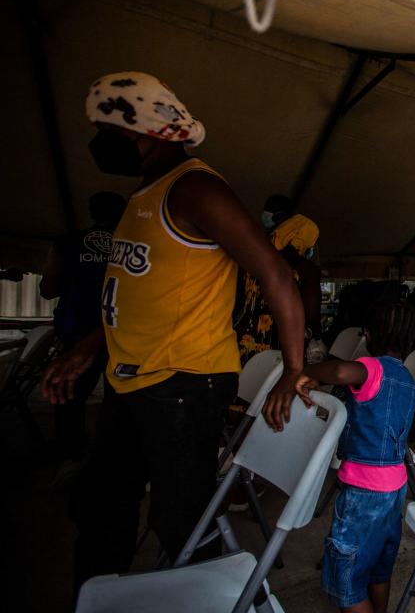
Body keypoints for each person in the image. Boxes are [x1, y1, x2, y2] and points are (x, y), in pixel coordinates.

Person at [41, 72, 305, 592]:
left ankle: (212, 599)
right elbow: (140, 296)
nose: (99, 142)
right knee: (103, 507)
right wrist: (91, 346)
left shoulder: (197, 188)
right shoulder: (145, 194)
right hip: (132, 381)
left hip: (184, 385)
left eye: (111, 131)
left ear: (151, 131)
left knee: (181, 521)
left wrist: (293, 370)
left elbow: (275, 273)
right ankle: (100, 600)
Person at [266, 302, 415, 613]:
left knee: (345, 581)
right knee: (379, 565)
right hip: (395, 488)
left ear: (370, 335)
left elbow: (338, 370)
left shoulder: (372, 367)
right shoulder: (408, 378)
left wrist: (302, 370)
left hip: (364, 492)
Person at [39, 191, 126, 471]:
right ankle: (113, 455)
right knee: (121, 398)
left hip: (77, 329)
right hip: (119, 332)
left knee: (69, 395)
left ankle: (71, 453)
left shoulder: (67, 244)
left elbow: (48, 288)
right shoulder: (132, 246)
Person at [235, 212, 320, 364]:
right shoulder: (306, 270)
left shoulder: (251, 265)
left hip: (243, 343)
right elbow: (311, 317)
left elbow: (237, 305)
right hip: (282, 351)